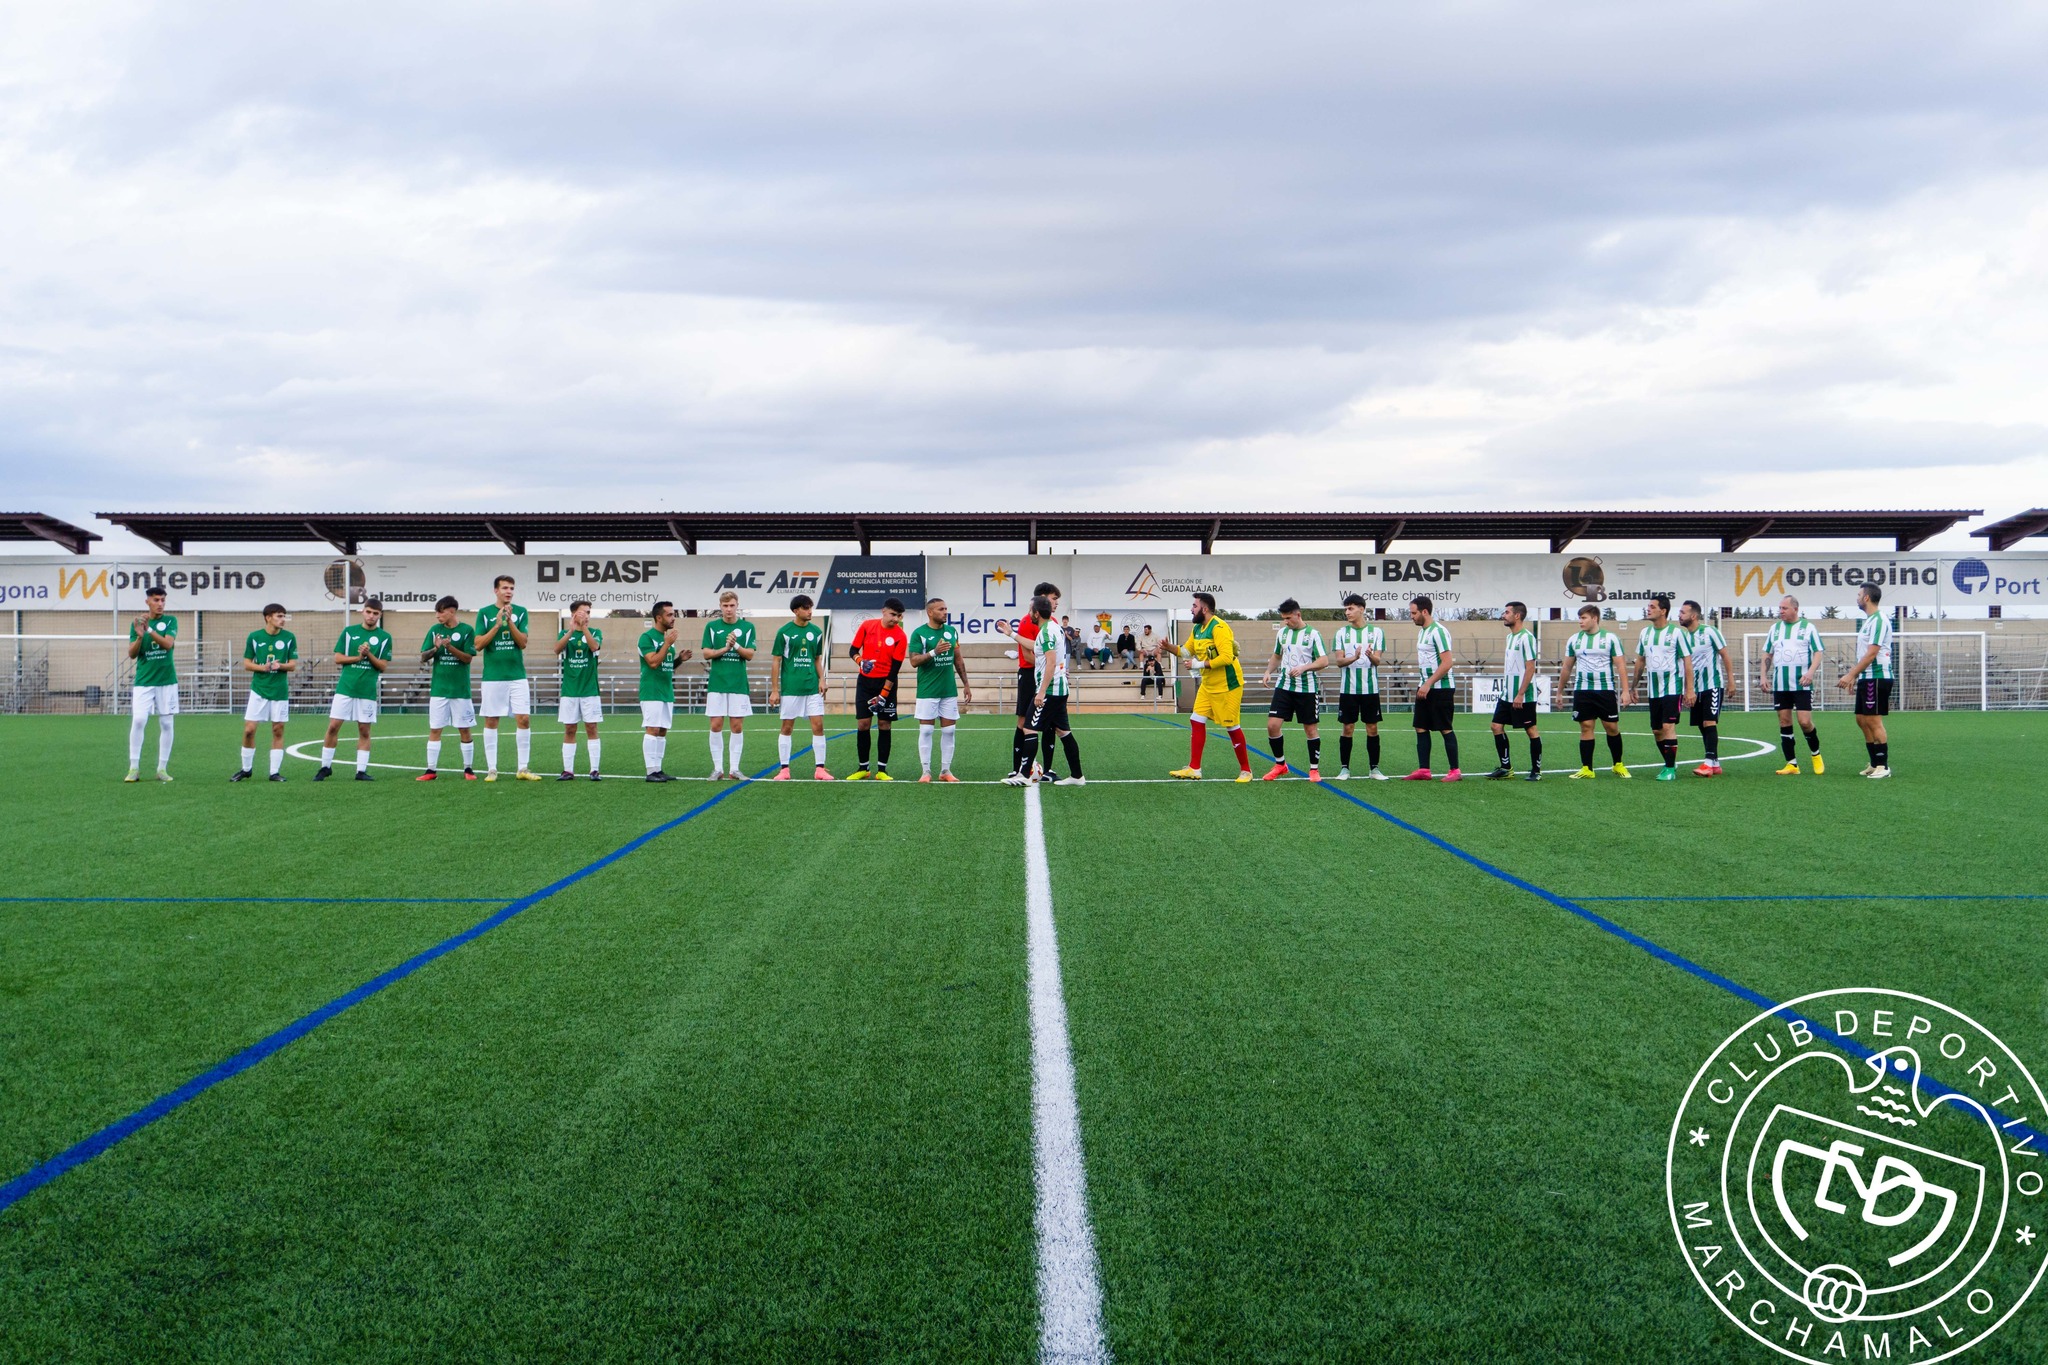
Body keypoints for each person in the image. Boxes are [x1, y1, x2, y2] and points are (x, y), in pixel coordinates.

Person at [1161, 592, 1253, 781]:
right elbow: (1186, 651)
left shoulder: (1219, 627)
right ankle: (1194, 768)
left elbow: (1227, 658)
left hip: (1228, 685)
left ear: (1204, 609)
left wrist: (1198, 664)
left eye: (1194, 606)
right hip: (1208, 685)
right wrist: (1168, 646)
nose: (1191, 609)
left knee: (1232, 727)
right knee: (1196, 719)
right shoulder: (1197, 629)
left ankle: (1246, 771)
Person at [1005, 594, 1085, 786]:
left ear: (1037, 612)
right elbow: (1036, 646)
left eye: (1031, 609)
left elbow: (1050, 661)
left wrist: (1040, 692)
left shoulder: (1048, 631)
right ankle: (1077, 776)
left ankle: (1024, 776)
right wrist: (1011, 634)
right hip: (1058, 690)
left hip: (1050, 691)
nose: (1029, 613)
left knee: (1029, 728)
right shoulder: (1051, 628)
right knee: (1063, 732)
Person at [317, 598, 392, 781]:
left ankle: (361, 771)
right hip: (345, 689)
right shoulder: (349, 632)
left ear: (380, 615)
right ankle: (325, 767)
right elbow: (338, 658)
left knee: (364, 730)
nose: (371, 616)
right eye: (369, 612)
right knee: (333, 726)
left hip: (367, 691)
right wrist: (358, 658)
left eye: (375, 613)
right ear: (362, 611)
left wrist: (368, 654)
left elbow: (382, 666)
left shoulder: (385, 637)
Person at [476, 574, 540, 781]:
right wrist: (497, 624)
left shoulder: (521, 613)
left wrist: (509, 620)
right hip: (493, 677)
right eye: (504, 588)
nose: (508, 592)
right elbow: (478, 645)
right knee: (491, 720)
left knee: (524, 718)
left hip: (517, 676)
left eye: (511, 588)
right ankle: (492, 769)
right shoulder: (484, 614)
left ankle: (523, 768)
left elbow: (522, 642)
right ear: (496, 590)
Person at [1259, 597, 1330, 780]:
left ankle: (1314, 769)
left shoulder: (1313, 634)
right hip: (1284, 686)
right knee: (1272, 726)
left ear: (1298, 615)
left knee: (1310, 729)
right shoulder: (1282, 633)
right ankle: (1280, 765)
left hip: (1307, 689)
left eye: (1288, 618)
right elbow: (1276, 655)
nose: (1285, 621)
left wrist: (1304, 667)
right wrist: (1268, 671)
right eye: (1283, 618)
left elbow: (1324, 661)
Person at [997, 582, 1063, 773]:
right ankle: (1018, 768)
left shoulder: (1054, 623)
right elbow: (1027, 655)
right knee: (1023, 721)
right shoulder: (1027, 621)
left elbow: (1054, 654)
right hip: (1029, 675)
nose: (1057, 603)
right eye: (1054, 598)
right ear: (1042, 599)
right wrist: (1050, 666)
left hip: (1048, 674)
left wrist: (1056, 668)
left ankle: (1048, 770)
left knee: (1050, 722)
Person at [1559, 605, 1629, 779]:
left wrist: (1626, 691)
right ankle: (1587, 768)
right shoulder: (1574, 640)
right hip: (1583, 690)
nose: (1580, 621)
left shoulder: (1611, 638)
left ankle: (1618, 764)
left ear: (1595, 618)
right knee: (1586, 727)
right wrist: (1559, 691)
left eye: (1584, 618)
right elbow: (1567, 666)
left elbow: (1620, 665)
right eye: (1580, 618)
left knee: (1611, 727)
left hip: (1605, 690)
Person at [1631, 594, 1695, 782]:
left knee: (1668, 726)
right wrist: (1633, 686)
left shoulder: (1677, 633)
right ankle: (1670, 761)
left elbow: (1687, 662)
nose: (1648, 609)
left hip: (1672, 689)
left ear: (1663, 611)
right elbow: (1640, 660)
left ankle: (1669, 769)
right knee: (1657, 730)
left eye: (1652, 606)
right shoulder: (1645, 633)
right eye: (1648, 606)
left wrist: (1689, 690)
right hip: (1653, 690)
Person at [909, 597, 972, 782]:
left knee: (949, 731)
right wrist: (934, 652)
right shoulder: (919, 634)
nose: (945, 612)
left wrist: (966, 684)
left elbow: (958, 659)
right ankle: (926, 771)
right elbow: (913, 661)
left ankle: (945, 771)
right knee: (927, 731)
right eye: (941, 609)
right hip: (927, 690)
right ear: (930, 612)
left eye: (946, 609)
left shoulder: (952, 632)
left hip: (948, 691)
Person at [770, 593, 832, 780]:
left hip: (812, 687)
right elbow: (776, 661)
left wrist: (822, 679)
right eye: (805, 608)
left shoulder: (817, 632)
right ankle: (784, 770)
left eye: (810, 607)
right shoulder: (784, 632)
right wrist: (775, 689)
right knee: (787, 727)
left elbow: (817, 659)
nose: (809, 611)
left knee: (818, 726)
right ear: (796, 611)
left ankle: (820, 769)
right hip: (791, 689)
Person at [1762, 595, 1826, 776]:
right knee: (1784, 721)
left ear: (1795, 609)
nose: (1780, 611)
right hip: (1781, 684)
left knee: (1805, 722)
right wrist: (1763, 676)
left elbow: (1818, 652)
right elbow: (1768, 654)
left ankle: (1816, 754)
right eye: (1779, 608)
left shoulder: (1808, 628)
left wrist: (1810, 673)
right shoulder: (1774, 629)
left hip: (1802, 683)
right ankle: (1791, 764)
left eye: (1784, 608)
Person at [234, 602, 297, 782]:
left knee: (278, 730)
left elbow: (293, 664)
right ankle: (246, 769)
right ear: (268, 618)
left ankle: (274, 772)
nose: (282, 619)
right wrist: (263, 668)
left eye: (283, 616)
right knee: (249, 730)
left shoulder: (289, 637)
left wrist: (280, 665)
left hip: (279, 691)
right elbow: (247, 663)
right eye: (279, 616)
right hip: (259, 690)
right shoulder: (254, 637)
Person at [846, 598, 908, 779]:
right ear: (883, 611)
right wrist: (861, 662)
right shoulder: (867, 626)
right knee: (863, 724)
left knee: (884, 724)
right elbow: (853, 650)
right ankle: (863, 769)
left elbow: (895, 670)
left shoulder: (900, 636)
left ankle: (882, 770)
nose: (896, 619)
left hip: (886, 683)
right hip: (865, 682)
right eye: (893, 614)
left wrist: (883, 695)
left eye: (899, 616)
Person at [419, 595, 478, 781]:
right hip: (439, 690)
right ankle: (430, 770)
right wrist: (436, 649)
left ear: (452, 611)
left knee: (464, 729)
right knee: (435, 729)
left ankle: (468, 769)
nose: (438, 616)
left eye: (441, 611)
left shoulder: (467, 630)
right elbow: (423, 657)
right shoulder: (434, 630)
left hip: (460, 690)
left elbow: (468, 658)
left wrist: (450, 647)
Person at [1837, 583, 1893, 779]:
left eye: (1859, 594)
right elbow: (1864, 655)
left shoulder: (1879, 620)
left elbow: (1871, 655)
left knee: (1873, 720)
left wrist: (1850, 675)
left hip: (1877, 677)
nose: (1857, 598)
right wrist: (1857, 675)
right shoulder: (1869, 621)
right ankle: (1874, 763)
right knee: (1861, 719)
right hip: (1867, 677)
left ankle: (1883, 766)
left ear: (1867, 598)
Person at [125, 586, 178, 782]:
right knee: (139, 720)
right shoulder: (137, 624)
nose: (160, 604)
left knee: (166, 722)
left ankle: (162, 769)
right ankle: (134, 768)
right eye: (156, 600)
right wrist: (140, 635)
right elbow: (131, 654)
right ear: (147, 601)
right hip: (144, 681)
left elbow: (168, 644)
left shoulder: (171, 620)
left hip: (166, 681)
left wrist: (148, 630)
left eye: (163, 600)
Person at [702, 589, 757, 780]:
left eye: (732, 605)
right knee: (716, 725)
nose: (728, 609)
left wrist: (735, 646)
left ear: (737, 606)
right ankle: (718, 768)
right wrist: (725, 648)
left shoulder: (748, 627)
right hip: (717, 684)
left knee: (737, 726)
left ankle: (734, 769)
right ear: (720, 607)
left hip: (738, 684)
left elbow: (750, 654)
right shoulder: (711, 626)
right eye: (725, 606)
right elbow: (707, 653)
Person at [1405, 595, 1460, 781]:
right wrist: (1423, 684)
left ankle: (1455, 771)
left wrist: (1428, 683)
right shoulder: (1422, 632)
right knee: (1420, 726)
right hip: (1425, 687)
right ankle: (1424, 770)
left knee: (1445, 727)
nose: (1411, 616)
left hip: (1440, 688)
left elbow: (1447, 663)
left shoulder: (1439, 631)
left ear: (1425, 612)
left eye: (1414, 613)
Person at [1331, 594, 1386, 780]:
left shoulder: (1377, 632)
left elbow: (1378, 661)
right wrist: (1354, 657)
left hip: (1370, 690)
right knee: (1348, 727)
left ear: (1362, 609)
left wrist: (1370, 655)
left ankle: (1374, 769)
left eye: (1351, 608)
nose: (1347, 612)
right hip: (1348, 690)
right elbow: (1338, 661)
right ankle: (1344, 768)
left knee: (1372, 727)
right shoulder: (1341, 633)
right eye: (1346, 609)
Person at [636, 600, 692, 782]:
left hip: (666, 691)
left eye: (673, 614)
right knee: (652, 729)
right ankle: (650, 771)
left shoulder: (667, 640)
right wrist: (667, 644)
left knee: (662, 730)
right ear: (658, 618)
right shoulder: (647, 638)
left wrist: (679, 660)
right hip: (652, 691)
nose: (673, 617)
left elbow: (665, 665)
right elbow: (652, 662)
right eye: (669, 614)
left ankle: (658, 769)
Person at [1486, 601, 1542, 781]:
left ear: (1517, 615)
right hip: (1507, 694)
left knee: (1531, 730)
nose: (1504, 615)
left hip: (1523, 695)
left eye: (1507, 612)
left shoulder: (1527, 638)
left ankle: (1536, 771)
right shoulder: (1510, 637)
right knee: (1496, 726)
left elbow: (1530, 667)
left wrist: (1520, 693)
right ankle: (1506, 767)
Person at [1678, 600, 1729, 778]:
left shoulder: (1709, 632)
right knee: (1701, 724)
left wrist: (1731, 681)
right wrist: (1686, 690)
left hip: (1712, 685)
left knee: (1709, 722)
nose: (1679, 615)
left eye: (1683, 612)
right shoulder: (1683, 637)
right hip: (1695, 689)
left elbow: (1724, 655)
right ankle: (1715, 763)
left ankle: (1707, 763)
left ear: (1693, 615)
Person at [555, 600, 604, 781]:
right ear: (574, 614)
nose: (587, 616)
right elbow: (556, 649)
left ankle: (594, 770)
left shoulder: (595, 633)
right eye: (584, 612)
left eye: (589, 613)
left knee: (592, 727)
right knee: (569, 728)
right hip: (570, 691)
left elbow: (594, 647)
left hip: (589, 690)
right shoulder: (564, 633)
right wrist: (571, 630)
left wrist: (584, 628)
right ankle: (568, 770)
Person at [1137, 625, 1165, 698]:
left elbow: (1160, 674)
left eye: (1146, 629)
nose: (1151, 663)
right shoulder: (1147, 665)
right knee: (1143, 680)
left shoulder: (1157, 664)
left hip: (1153, 649)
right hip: (1145, 649)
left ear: (1150, 630)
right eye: (1144, 629)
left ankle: (1160, 696)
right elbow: (1145, 676)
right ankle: (1142, 695)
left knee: (1158, 679)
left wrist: (1154, 671)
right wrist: (1147, 670)